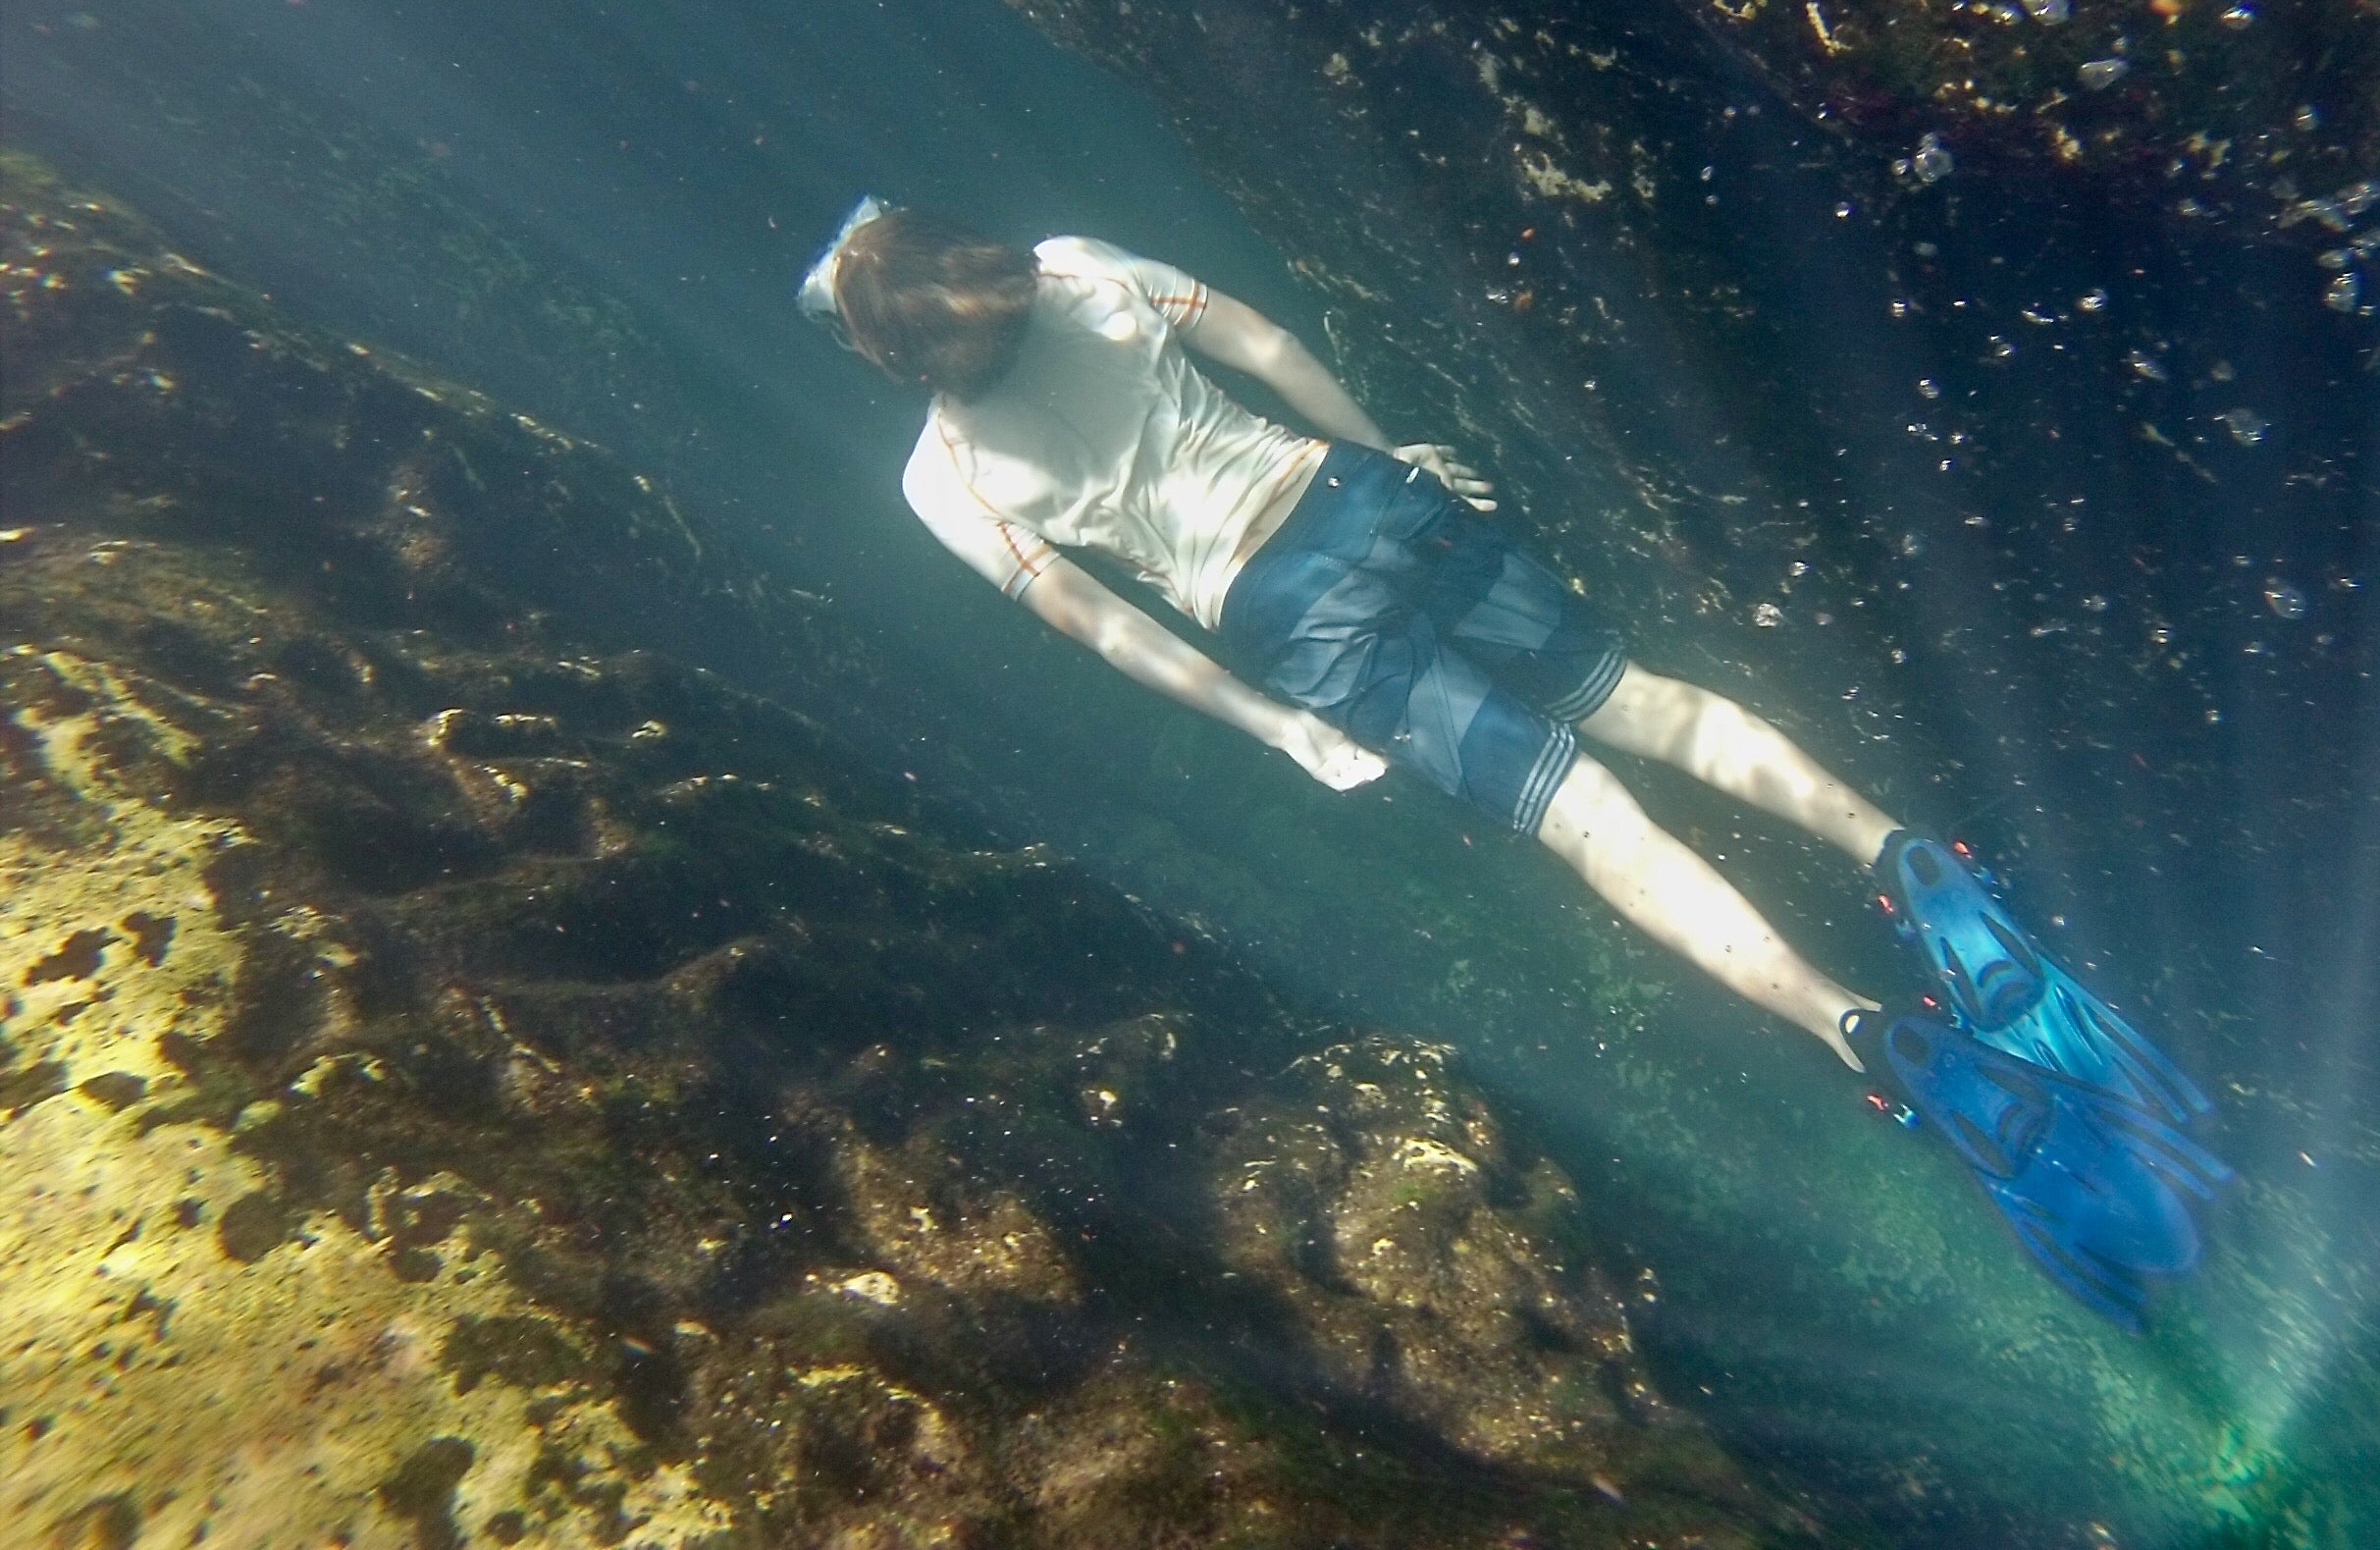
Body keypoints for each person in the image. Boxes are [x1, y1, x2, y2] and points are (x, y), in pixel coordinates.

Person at [798, 201, 2228, 1325]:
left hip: (1293, 623)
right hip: (1365, 502)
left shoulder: (947, 481)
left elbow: (1109, 632)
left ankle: (1860, 1028)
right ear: (968, 255)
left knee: (1594, 828)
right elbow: (1268, 350)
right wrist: (1391, 457)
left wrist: (1281, 725)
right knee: (1650, 705)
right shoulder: (1074, 263)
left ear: (892, 357)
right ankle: (1905, 861)